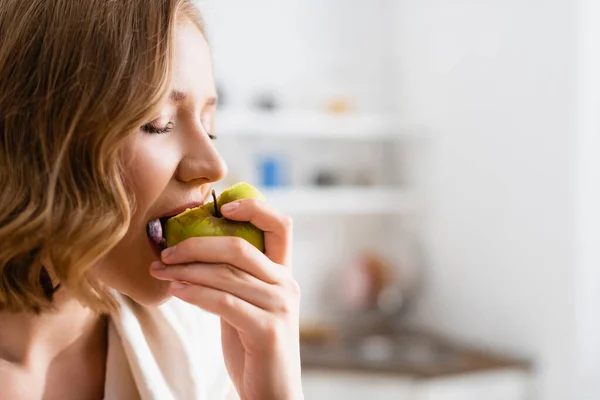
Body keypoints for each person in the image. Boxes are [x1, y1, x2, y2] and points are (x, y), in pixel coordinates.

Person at [0, 0, 303, 399]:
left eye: (209, 128)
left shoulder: (201, 346)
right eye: (158, 123)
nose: (213, 166)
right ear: (33, 139)